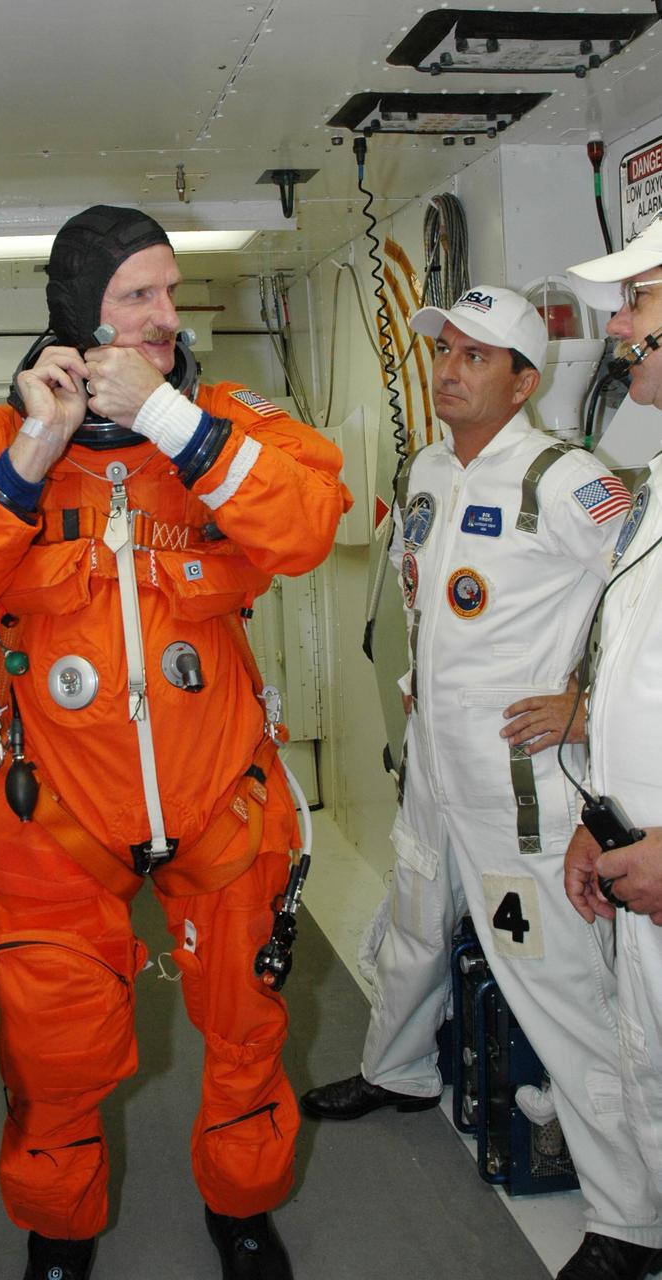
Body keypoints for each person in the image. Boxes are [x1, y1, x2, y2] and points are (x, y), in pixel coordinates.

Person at [0, 204, 351, 1280]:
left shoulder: (224, 426)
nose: (161, 316)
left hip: (221, 800)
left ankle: (241, 1205)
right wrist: (36, 446)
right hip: (60, 816)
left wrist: (177, 426)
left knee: (245, 1033)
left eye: (168, 293)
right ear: (74, 312)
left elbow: (309, 521)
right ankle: (60, 1226)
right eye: (133, 296)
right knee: (54, 1056)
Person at [300, 285, 662, 1279]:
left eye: (474, 355)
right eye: (445, 351)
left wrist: (584, 703)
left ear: (523, 379)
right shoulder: (426, 469)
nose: (449, 369)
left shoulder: (566, 477)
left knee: (559, 990)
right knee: (414, 920)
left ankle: (631, 1219)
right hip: (435, 758)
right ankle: (399, 1069)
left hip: (521, 782)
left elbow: (640, 599)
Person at [563, 212, 662, 1278]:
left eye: (636, 302)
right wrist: (595, 817)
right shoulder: (656, 480)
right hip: (637, 862)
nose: (616, 324)